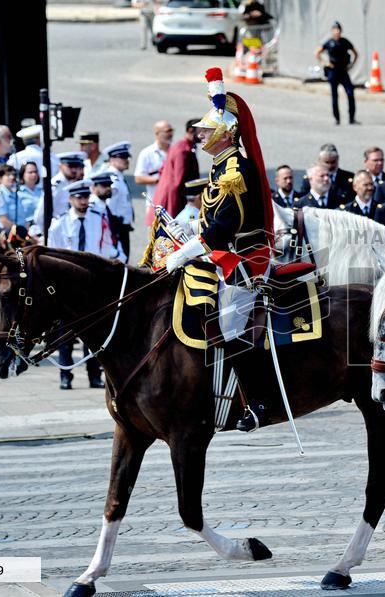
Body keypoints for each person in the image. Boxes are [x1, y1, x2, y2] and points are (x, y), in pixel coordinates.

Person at [161, 68, 276, 432]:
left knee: (229, 328)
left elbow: (223, 229)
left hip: (245, 260)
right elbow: (212, 222)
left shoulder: (235, 170)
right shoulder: (219, 166)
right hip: (223, 254)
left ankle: (258, 401)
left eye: (207, 131)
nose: (200, 136)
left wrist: (183, 252)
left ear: (225, 134)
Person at [47, 180, 121, 389]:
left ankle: (94, 374)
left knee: (94, 332)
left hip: (92, 283)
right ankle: (65, 374)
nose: (83, 201)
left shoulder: (98, 219)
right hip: (67, 285)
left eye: (86, 197)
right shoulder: (59, 223)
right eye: (79, 198)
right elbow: (54, 253)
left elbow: (106, 247)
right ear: (70, 200)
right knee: (65, 334)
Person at [150, 118, 201, 221]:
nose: (203, 134)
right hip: (172, 202)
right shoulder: (183, 150)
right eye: (201, 131)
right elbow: (179, 181)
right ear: (191, 131)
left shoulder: (182, 146)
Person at [315, 21, 359, 126]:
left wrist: (351, 64)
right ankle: (337, 118)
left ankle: (352, 118)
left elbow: (355, 53)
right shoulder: (329, 42)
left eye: (338, 29)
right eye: (335, 29)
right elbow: (317, 52)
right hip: (333, 71)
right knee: (334, 95)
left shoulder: (344, 42)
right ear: (332, 31)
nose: (337, 31)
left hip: (343, 71)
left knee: (350, 92)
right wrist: (324, 63)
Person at [34, 151, 86, 230]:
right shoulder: (55, 185)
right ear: (61, 166)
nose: (74, 170)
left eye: (76, 166)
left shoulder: (74, 182)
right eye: (70, 166)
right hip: (58, 228)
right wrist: (45, 232)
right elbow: (41, 213)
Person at [101, 141, 134, 258]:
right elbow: (108, 207)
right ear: (111, 159)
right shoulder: (112, 179)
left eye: (127, 157)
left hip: (122, 227)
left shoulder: (118, 176)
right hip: (116, 227)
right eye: (122, 157)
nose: (126, 160)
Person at [0, 164, 36, 236]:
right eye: (8, 175)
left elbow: (23, 218)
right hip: (9, 236)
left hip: (22, 233)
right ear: (0, 178)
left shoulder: (16, 194)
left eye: (13, 175)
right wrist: (23, 234)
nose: (12, 177)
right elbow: (4, 222)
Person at [134, 120, 173, 207]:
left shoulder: (176, 150)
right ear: (157, 133)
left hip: (174, 202)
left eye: (171, 130)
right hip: (155, 203)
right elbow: (138, 178)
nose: (170, 134)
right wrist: (159, 180)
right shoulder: (147, 153)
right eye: (167, 131)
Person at [16, 162, 44, 237]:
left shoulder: (43, 191)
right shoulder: (18, 193)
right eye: (30, 172)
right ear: (23, 174)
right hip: (28, 231)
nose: (34, 175)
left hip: (44, 228)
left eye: (35, 172)